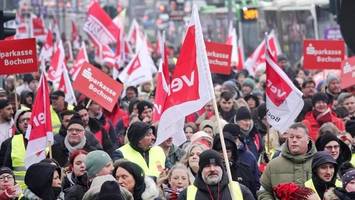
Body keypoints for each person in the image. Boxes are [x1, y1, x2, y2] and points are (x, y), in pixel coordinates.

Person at [258, 122, 317, 200]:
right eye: (291, 137)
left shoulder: (320, 163)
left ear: (308, 140)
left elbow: (333, 189)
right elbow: (264, 191)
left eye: (298, 137)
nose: (294, 140)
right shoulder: (273, 165)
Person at [178, 149, 255, 200]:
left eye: (216, 165)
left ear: (222, 168)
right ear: (201, 170)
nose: (212, 169)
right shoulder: (187, 195)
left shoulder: (240, 190)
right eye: (207, 166)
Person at [212, 132, 259, 198]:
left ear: (233, 152)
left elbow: (253, 191)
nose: (224, 155)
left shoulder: (245, 169)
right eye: (220, 151)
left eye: (227, 151)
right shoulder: (211, 171)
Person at [0, 109, 31, 189]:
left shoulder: (46, 142)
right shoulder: (10, 143)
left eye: (28, 119)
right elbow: (5, 169)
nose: (25, 122)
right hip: (17, 192)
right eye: (22, 120)